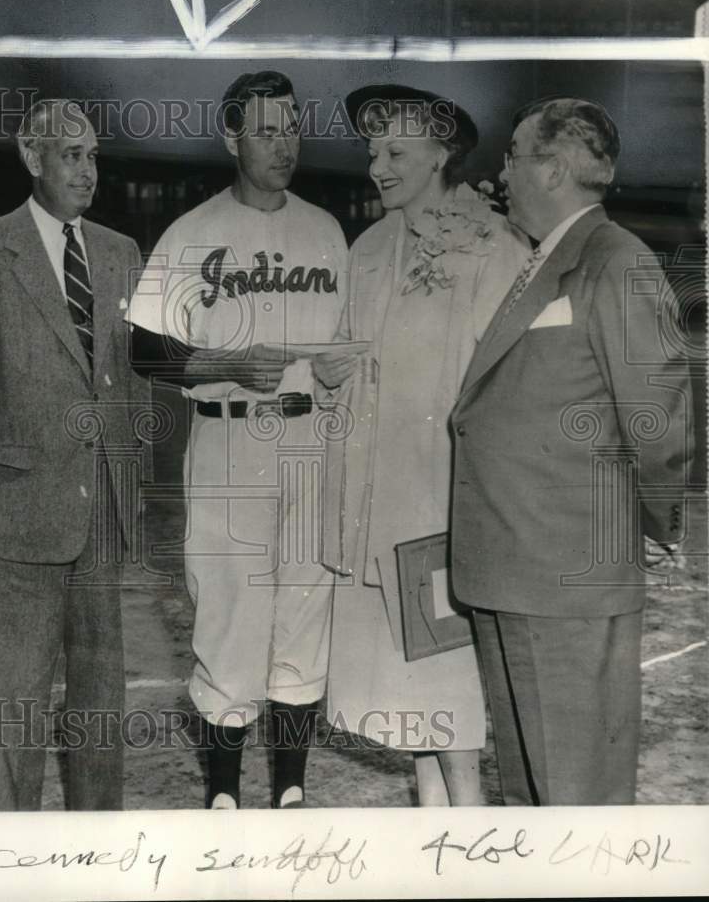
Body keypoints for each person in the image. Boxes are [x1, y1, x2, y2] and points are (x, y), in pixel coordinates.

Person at [449, 96, 695, 805]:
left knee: (576, 799)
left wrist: (653, 526)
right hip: (514, 571)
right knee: (533, 795)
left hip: (567, 580)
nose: (502, 171)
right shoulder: (546, 260)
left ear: (552, 169)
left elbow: (659, 419)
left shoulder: (616, 261)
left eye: (514, 155)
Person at [128, 70, 349, 809]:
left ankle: (290, 789)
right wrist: (225, 362)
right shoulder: (193, 233)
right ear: (232, 138)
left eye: (292, 127)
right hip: (228, 441)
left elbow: (346, 344)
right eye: (266, 130)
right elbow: (143, 350)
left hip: (311, 436)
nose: (283, 142)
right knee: (228, 614)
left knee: (306, 612)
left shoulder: (325, 229)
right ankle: (223, 795)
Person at [314, 84, 526, 806]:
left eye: (397, 150)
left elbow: (509, 386)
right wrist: (327, 370)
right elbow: (349, 359)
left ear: (443, 154)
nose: (378, 164)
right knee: (408, 688)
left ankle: (470, 822)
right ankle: (434, 821)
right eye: (373, 150)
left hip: (444, 504)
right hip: (377, 500)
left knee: (447, 677)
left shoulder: (493, 247)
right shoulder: (369, 246)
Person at [0, 99, 148, 811]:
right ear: (32, 158)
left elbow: (133, 380)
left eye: (93, 157)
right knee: (20, 694)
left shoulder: (120, 251)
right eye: (71, 155)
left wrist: (130, 486)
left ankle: (97, 837)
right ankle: (15, 839)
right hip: (22, 503)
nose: (87, 171)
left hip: (101, 506)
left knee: (99, 693)